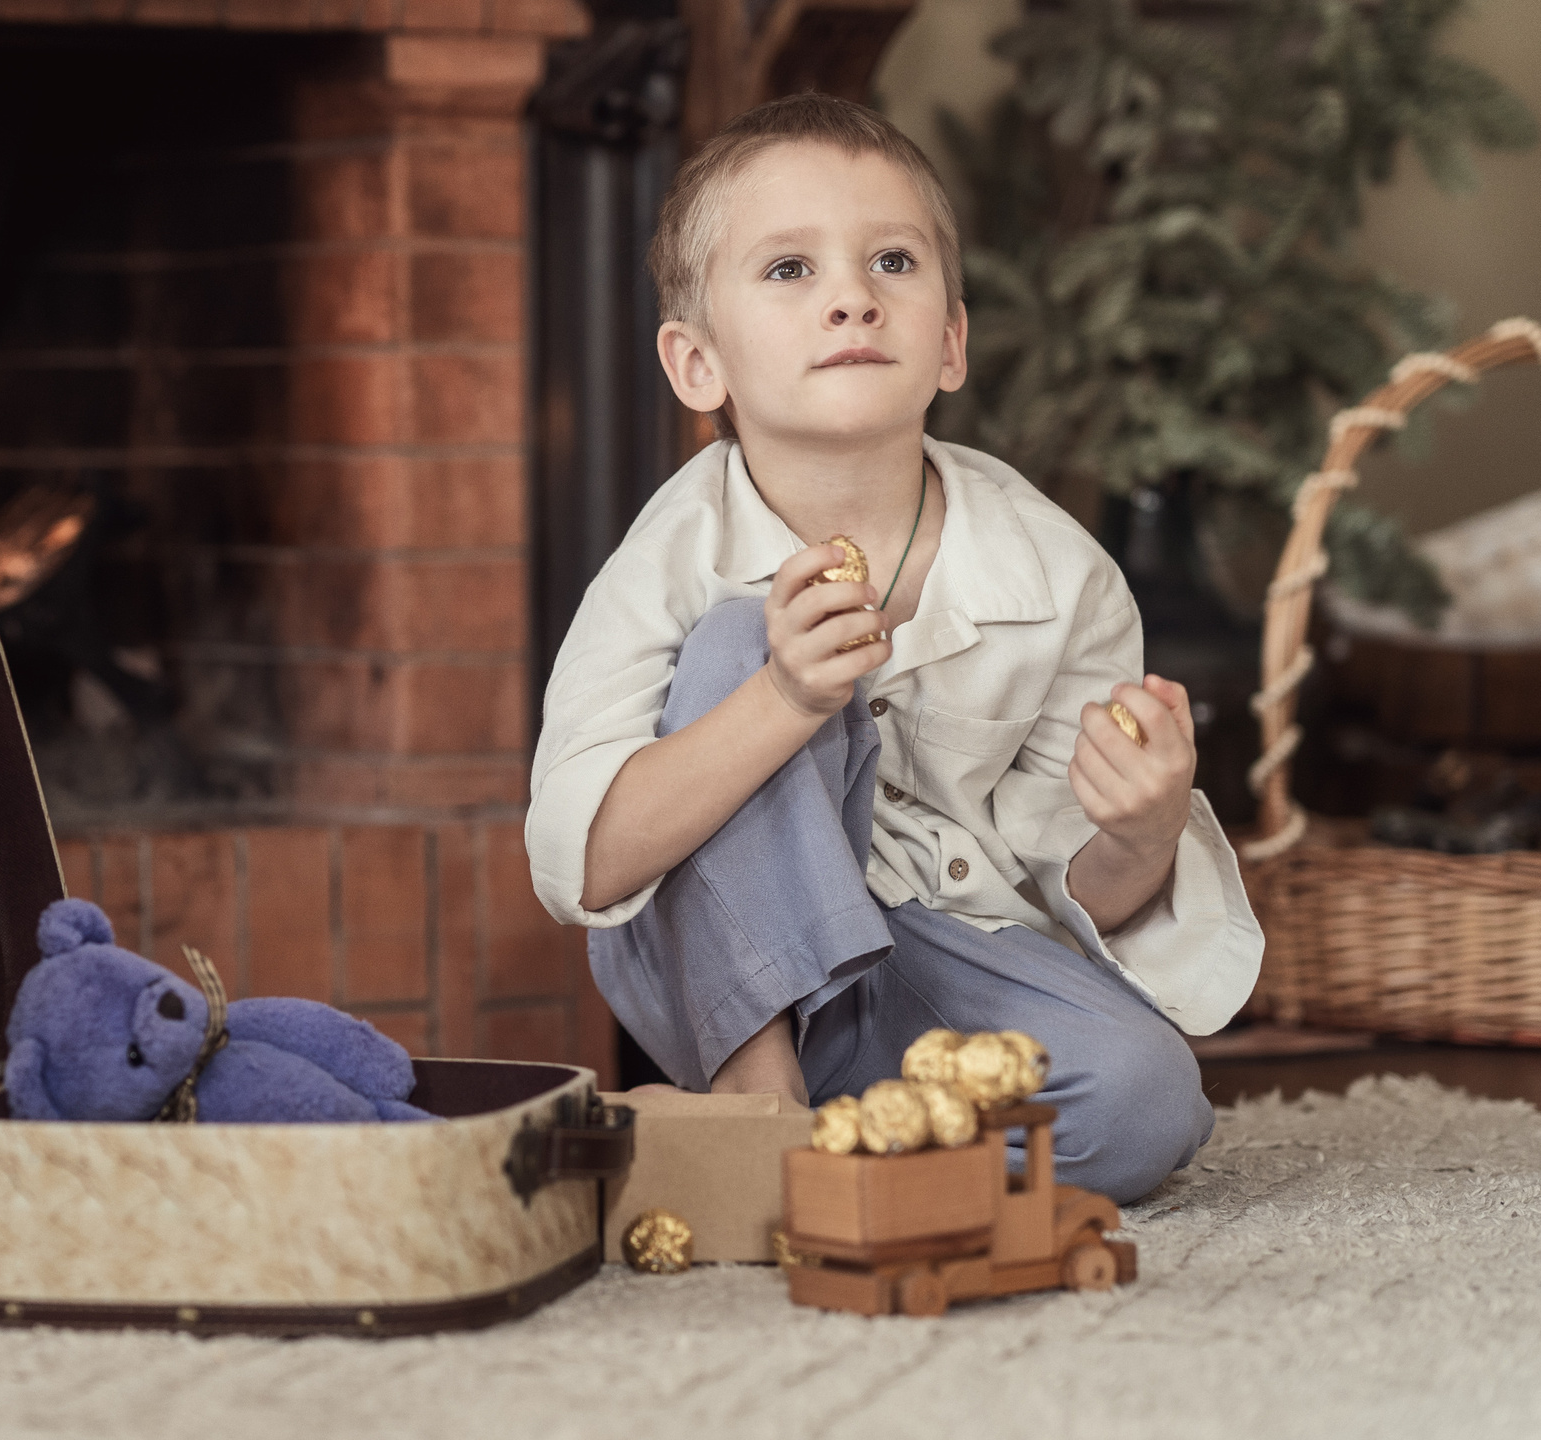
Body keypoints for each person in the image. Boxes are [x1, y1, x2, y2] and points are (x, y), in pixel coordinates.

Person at [525, 94, 1262, 1203]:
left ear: (950, 342)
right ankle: (760, 1099)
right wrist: (784, 700)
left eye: (892, 261)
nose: (852, 297)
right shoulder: (668, 562)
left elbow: (1075, 894)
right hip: (720, 966)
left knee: (1147, 1101)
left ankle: (840, 1149)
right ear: (697, 364)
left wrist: (1142, 832)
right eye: (790, 269)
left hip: (938, 964)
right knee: (739, 638)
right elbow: (588, 866)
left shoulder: (1057, 575)